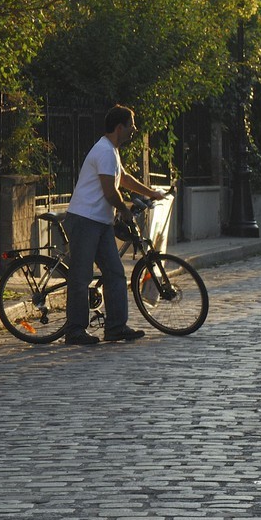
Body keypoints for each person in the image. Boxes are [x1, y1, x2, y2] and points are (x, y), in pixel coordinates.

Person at [63, 104, 168, 345]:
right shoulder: (104, 151)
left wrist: (151, 193)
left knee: (116, 274)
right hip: (85, 220)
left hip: (99, 223)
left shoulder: (111, 151)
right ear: (120, 127)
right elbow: (110, 191)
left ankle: (116, 327)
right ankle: (75, 330)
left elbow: (124, 179)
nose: (135, 129)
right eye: (132, 124)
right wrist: (124, 210)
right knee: (81, 276)